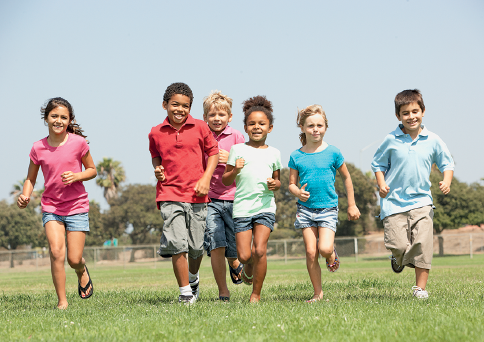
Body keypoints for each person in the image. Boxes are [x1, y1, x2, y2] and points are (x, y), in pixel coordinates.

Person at [371, 89, 454, 299]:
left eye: (415, 111)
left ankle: (420, 288)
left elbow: (447, 162)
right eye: (405, 113)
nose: (411, 116)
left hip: (422, 201)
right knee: (397, 245)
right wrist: (381, 184)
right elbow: (377, 163)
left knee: (423, 244)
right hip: (393, 203)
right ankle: (398, 258)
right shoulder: (391, 139)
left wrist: (446, 180)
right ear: (398, 116)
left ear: (423, 111)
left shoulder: (433, 139)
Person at [17, 97, 97, 309]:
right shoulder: (38, 148)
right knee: (56, 252)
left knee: (73, 258)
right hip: (51, 207)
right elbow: (30, 179)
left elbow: (92, 170)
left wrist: (77, 176)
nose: (58, 120)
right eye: (54, 116)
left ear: (69, 119)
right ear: (46, 118)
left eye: (63, 117)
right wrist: (25, 195)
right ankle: (62, 301)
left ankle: (81, 270)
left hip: (77, 207)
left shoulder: (78, 143)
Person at [149, 82, 219, 304]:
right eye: (175, 105)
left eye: (185, 106)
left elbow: (214, 153)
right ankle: (185, 292)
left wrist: (206, 179)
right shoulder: (155, 133)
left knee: (196, 247)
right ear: (164, 105)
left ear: (191, 108)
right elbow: (156, 155)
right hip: (169, 194)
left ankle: (193, 277)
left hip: (197, 195)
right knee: (177, 244)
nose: (180, 109)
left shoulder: (200, 127)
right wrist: (158, 169)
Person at [288, 105, 360, 303]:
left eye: (319, 125)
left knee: (324, 249)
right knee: (311, 252)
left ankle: (331, 255)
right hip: (305, 209)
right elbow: (291, 185)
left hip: (328, 208)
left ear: (325, 127)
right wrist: (297, 192)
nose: (315, 129)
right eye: (310, 125)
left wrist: (351, 205)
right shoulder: (296, 156)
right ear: (302, 127)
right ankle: (317, 293)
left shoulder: (333, 153)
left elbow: (346, 178)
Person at [222, 95, 282, 303]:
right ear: (246, 128)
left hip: (265, 206)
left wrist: (276, 185)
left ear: (270, 128)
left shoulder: (275, 153)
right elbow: (225, 179)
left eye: (262, 124)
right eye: (252, 124)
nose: (257, 127)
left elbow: (277, 180)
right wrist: (235, 168)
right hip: (242, 208)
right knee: (246, 256)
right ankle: (247, 268)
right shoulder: (237, 150)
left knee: (260, 250)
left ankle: (255, 294)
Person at [202, 91, 245, 302]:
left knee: (234, 247)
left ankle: (234, 262)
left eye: (221, 114)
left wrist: (231, 159)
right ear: (205, 117)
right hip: (210, 200)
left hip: (235, 198)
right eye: (212, 115)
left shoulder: (237, 136)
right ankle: (223, 291)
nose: (217, 118)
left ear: (229, 116)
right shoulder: (201, 136)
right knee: (216, 243)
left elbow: (247, 164)